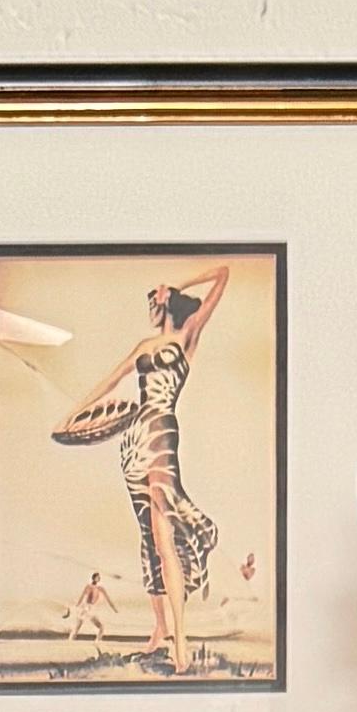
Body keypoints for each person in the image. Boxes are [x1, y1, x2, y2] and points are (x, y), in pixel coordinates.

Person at [52, 264, 237, 674]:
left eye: (154, 300)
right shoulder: (143, 345)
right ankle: (159, 630)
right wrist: (72, 415)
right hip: (133, 438)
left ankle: (181, 641)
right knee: (149, 540)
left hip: (160, 432)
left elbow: (222, 275)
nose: (151, 306)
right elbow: (109, 381)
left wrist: (176, 286)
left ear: (166, 301)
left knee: (165, 535)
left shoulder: (186, 336)